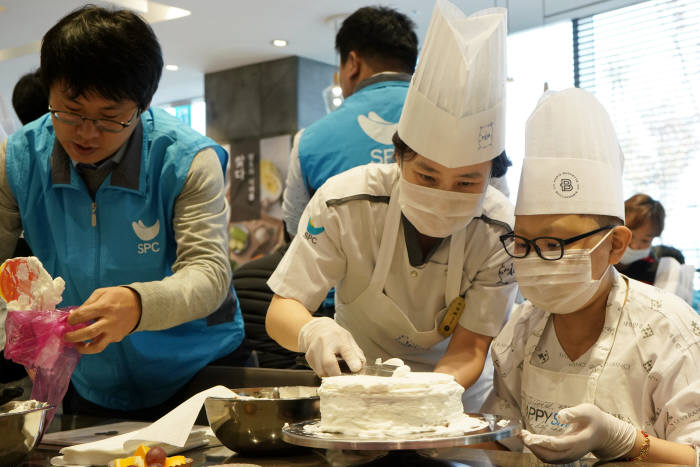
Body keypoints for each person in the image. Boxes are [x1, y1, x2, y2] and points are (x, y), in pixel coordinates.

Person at [266, 0, 517, 412]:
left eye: (467, 182)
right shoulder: (343, 200)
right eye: (428, 177)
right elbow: (283, 308)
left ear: (491, 176)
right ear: (398, 158)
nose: (444, 195)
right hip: (357, 390)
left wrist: (420, 400)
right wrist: (313, 330)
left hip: (456, 400)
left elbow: (471, 348)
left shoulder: (500, 228)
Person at [0, 5, 246, 419]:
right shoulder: (17, 161)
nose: (87, 133)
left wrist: (137, 303)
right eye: (70, 112)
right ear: (49, 93)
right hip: (89, 379)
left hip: (199, 370)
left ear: (142, 105)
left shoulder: (185, 159)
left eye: (110, 118)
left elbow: (210, 274)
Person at [482, 88, 700, 465]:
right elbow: (506, 440)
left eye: (555, 244)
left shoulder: (669, 330)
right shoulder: (522, 328)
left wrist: (625, 441)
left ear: (616, 245)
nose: (536, 258)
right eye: (522, 244)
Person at [282, 6, 418, 238]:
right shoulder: (456, 124)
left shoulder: (309, 141)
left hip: (344, 272)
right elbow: (495, 211)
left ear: (353, 63)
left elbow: (296, 226)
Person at [615, 194, 694, 304]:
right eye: (629, 236)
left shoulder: (657, 272)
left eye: (645, 241)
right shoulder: (600, 261)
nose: (633, 246)